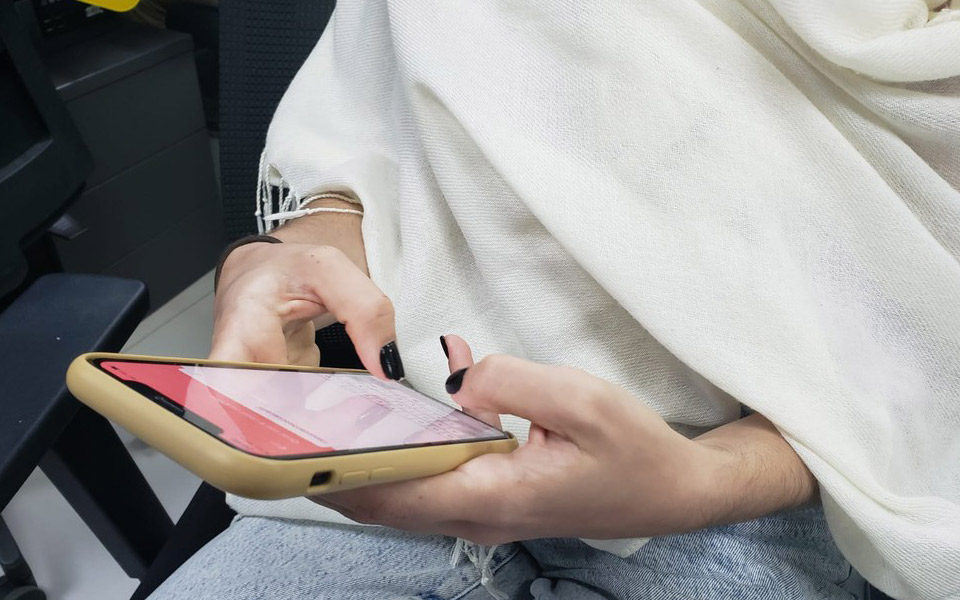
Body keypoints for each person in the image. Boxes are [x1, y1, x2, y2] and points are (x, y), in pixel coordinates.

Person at [152, 0, 960, 598]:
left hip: (768, 487)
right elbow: (361, 137)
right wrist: (284, 260)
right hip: (404, 437)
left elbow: (928, 333)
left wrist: (707, 478)